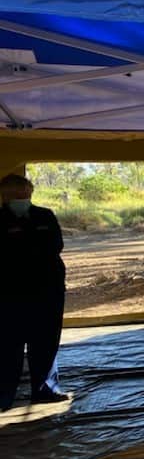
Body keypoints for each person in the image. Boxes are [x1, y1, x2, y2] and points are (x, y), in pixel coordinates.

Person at [0, 173, 68, 411]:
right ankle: (4, 395)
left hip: (48, 291)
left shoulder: (44, 215)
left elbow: (56, 245)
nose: (22, 197)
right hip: (10, 295)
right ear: (5, 196)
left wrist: (24, 246)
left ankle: (45, 389)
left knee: (46, 341)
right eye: (16, 194)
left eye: (25, 193)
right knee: (9, 345)